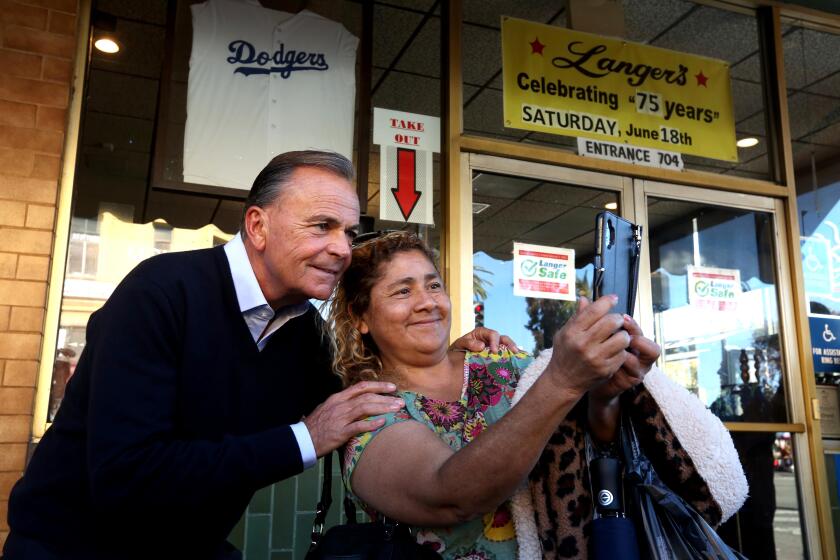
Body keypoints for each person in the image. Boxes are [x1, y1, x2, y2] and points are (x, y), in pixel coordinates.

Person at [3, 151, 508, 560]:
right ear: (258, 226)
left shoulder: (305, 332)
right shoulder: (161, 293)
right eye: (322, 226)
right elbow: (126, 474)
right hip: (67, 547)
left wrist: (445, 357)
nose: (342, 249)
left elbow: (368, 391)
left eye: (348, 233)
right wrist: (305, 438)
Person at [328, 231, 749, 559]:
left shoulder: (507, 365)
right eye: (402, 291)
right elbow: (451, 496)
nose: (427, 303)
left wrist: (606, 394)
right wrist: (563, 380)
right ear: (360, 317)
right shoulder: (367, 412)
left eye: (433, 285)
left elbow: (590, 447)